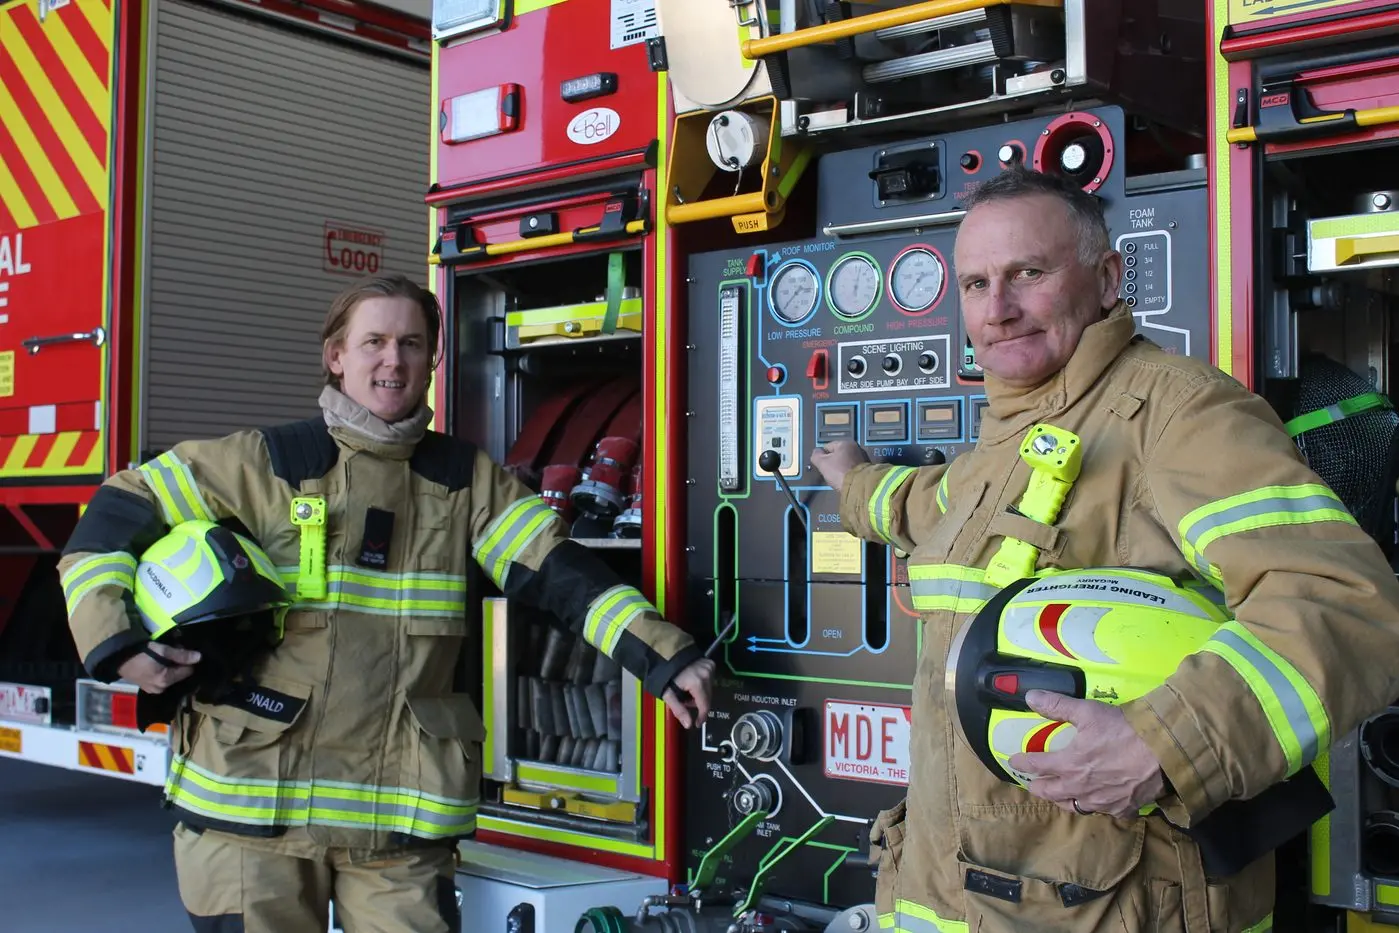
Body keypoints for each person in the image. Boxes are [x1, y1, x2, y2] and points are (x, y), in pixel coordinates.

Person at [811, 167, 1399, 933]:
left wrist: (1167, 742)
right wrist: (853, 481)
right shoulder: (997, 449)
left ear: (1107, 277)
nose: (999, 308)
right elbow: (922, 507)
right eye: (976, 283)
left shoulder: (1177, 412)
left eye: (1029, 273)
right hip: (950, 893)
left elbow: (1342, 601)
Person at [59, 273, 715, 933]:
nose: (391, 358)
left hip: (395, 827)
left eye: (409, 342)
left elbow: (561, 573)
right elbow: (116, 514)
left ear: (432, 358)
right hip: (249, 814)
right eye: (372, 340)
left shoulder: (465, 481)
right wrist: (116, 647)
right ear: (335, 355)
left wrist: (666, 658)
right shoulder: (264, 463)